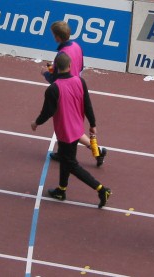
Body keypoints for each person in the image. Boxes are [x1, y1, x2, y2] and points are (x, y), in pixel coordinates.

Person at [32, 53, 111, 208]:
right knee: (65, 159)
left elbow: (46, 112)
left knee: (71, 164)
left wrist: (36, 123)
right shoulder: (80, 81)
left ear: (55, 68)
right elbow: (87, 104)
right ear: (69, 66)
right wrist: (93, 123)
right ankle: (61, 190)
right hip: (77, 128)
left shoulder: (53, 89)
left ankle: (101, 189)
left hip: (65, 132)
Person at [41, 20, 107, 167]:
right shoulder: (77, 46)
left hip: (65, 92)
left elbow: (55, 80)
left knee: (66, 126)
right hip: (77, 87)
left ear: (57, 37)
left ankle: (97, 150)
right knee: (70, 127)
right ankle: (93, 151)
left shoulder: (61, 54)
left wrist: (46, 73)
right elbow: (81, 67)